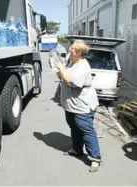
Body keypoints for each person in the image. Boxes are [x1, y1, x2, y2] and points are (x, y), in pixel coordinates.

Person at [54, 40, 102, 172]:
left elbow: (71, 81)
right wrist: (59, 69)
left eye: (73, 49)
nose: (70, 50)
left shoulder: (83, 67)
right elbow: (63, 77)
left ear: (79, 53)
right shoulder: (73, 62)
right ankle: (76, 149)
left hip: (82, 105)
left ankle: (95, 158)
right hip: (71, 105)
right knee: (74, 127)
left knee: (86, 130)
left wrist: (63, 69)